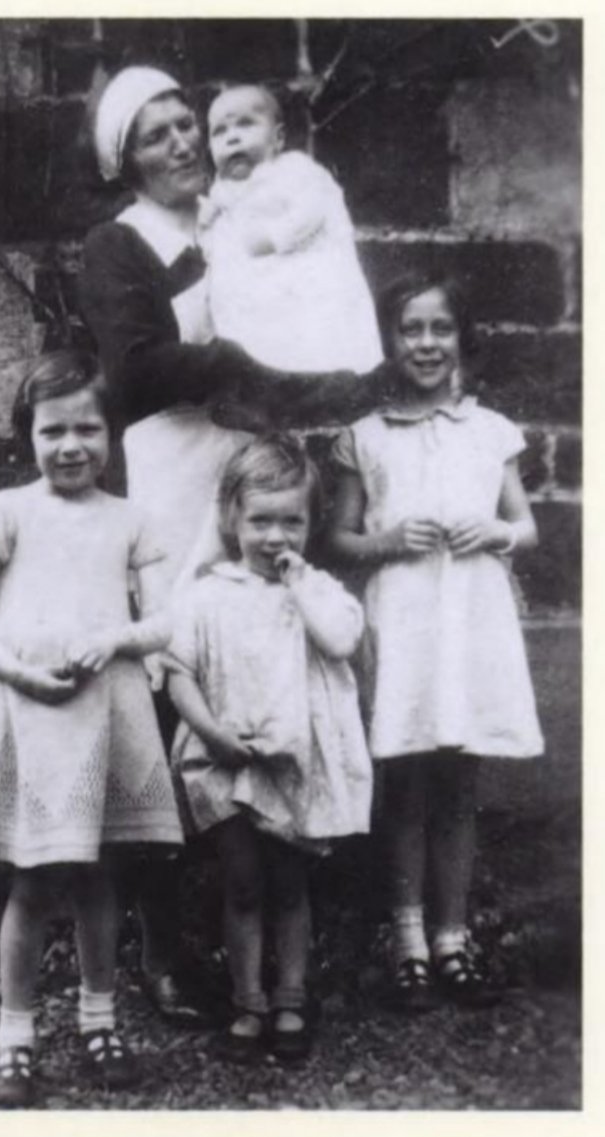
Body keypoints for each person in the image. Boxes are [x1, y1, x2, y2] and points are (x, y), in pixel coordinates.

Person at [80, 65, 388, 1022]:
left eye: (188, 127)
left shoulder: (248, 210)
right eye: (157, 136)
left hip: (256, 488)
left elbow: (317, 294)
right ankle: (167, 948)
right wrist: (237, 363)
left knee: (280, 689)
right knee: (179, 708)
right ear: (124, 160)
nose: (183, 145)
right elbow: (130, 374)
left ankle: (283, 945)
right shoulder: (118, 245)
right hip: (175, 491)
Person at [0, 350, 182, 1106]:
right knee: (33, 875)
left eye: (88, 427)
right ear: (29, 436)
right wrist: (14, 671)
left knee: (98, 873)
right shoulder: (5, 511)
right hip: (31, 710)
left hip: (105, 707)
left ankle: (99, 1019)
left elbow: (171, 619)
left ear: (112, 434)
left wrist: (115, 638)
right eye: (53, 430)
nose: (71, 444)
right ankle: (14, 1038)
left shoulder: (132, 519)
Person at [327, 271, 544, 1011]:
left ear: (460, 337)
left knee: (459, 781)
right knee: (405, 783)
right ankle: (407, 937)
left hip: (470, 619)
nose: (424, 342)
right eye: (410, 329)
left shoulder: (490, 430)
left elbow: (525, 524)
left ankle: (453, 935)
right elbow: (339, 537)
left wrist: (498, 530)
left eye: (438, 328)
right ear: (388, 341)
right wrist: (385, 539)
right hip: (406, 618)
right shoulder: (365, 435)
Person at [164, 436, 373, 1063]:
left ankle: (290, 998)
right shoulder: (206, 594)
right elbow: (178, 672)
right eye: (260, 520)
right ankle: (247, 1001)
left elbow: (339, 640)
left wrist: (301, 583)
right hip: (226, 762)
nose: (275, 536)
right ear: (231, 518)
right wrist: (211, 732)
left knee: (288, 884)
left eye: (292, 521)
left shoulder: (320, 591)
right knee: (243, 883)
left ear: (310, 523)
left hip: (293, 764)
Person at [200, 83, 383, 373]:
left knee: (317, 343)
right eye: (219, 131)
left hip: (308, 285)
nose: (232, 138)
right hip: (263, 303)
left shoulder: (295, 170)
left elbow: (315, 209)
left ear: (278, 138)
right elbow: (217, 242)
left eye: (245, 125)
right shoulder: (222, 192)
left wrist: (275, 238)